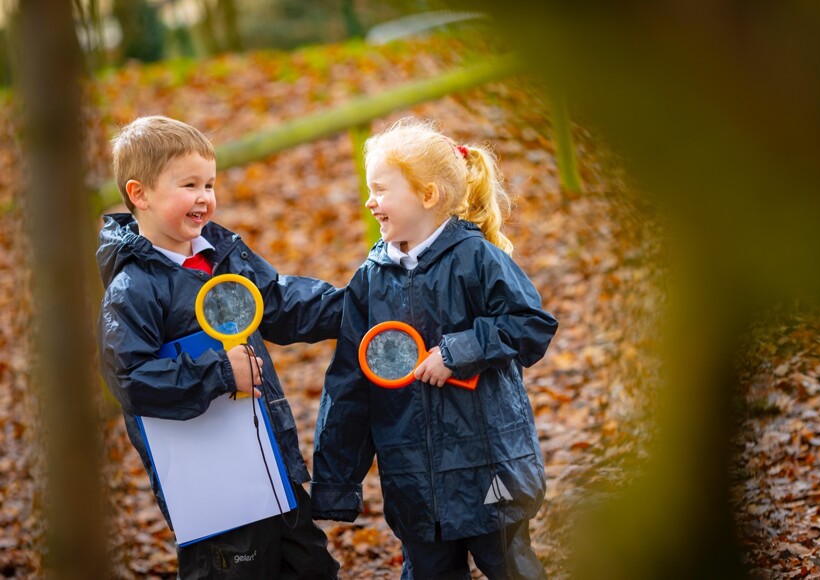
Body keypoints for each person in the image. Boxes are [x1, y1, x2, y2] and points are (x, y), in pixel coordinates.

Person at [311, 117, 558, 579]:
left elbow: (530, 324)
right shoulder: (370, 280)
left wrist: (457, 351)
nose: (370, 202)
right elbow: (348, 384)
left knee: (510, 567)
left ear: (428, 196)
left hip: (490, 468)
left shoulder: (477, 258)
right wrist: (335, 482)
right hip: (414, 482)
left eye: (381, 190)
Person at [96, 115, 341, 579]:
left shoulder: (222, 254)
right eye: (188, 185)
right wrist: (222, 373)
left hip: (273, 466)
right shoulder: (134, 289)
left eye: (209, 183)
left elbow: (280, 303)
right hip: (214, 490)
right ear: (139, 193)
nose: (204, 197)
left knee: (311, 567)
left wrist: (357, 306)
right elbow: (130, 380)